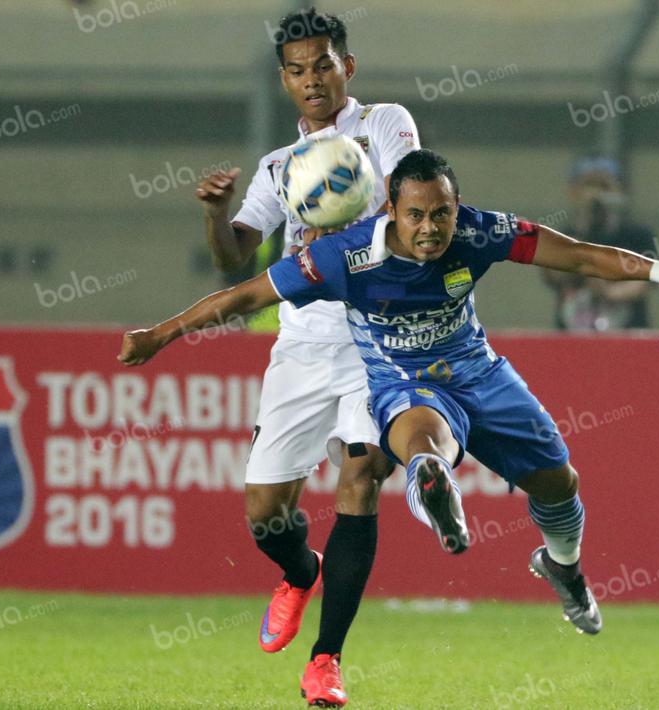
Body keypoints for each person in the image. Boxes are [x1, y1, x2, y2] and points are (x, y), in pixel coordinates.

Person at [120, 149, 659, 651]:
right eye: (416, 214)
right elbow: (244, 296)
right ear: (391, 209)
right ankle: (435, 488)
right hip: (403, 381)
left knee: (559, 483)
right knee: (424, 442)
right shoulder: (342, 256)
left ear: (456, 207)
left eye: (441, 213)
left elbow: (576, 254)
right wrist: (159, 335)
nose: (431, 228)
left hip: (480, 374)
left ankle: (562, 566)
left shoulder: (478, 231)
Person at [192, 8, 419, 706]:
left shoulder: (384, 124)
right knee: (265, 514)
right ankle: (299, 571)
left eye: (323, 64)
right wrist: (216, 213)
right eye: (297, 70)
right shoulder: (276, 167)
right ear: (284, 80)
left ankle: (326, 660)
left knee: (361, 474)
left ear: (347, 66)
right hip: (302, 346)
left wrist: (351, 223)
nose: (312, 79)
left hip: (377, 338)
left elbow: (410, 202)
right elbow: (234, 257)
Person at [543, 156, 658, 330]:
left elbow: (646, 281)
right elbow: (554, 276)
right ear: (573, 191)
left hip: (626, 331)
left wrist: (609, 292)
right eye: (589, 185)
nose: (596, 194)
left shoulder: (637, 235)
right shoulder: (562, 236)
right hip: (573, 332)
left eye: (604, 186)